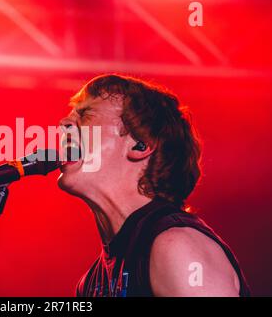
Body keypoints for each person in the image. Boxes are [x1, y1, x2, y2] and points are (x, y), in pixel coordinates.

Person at [57, 74, 250, 297]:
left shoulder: (177, 247)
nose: (64, 123)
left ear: (141, 145)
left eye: (85, 114)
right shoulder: (91, 284)